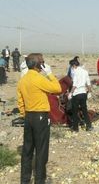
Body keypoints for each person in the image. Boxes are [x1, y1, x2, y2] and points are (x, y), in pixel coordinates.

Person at [17, 53, 61, 184]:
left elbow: (20, 101)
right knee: (41, 150)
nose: (43, 64)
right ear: (38, 65)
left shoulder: (23, 80)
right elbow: (57, 88)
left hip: (28, 116)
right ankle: (40, 180)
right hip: (40, 116)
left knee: (27, 150)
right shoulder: (39, 78)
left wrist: (24, 115)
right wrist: (49, 73)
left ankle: (24, 180)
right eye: (42, 62)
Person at [67, 59, 93, 132]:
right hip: (83, 93)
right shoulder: (85, 72)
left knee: (75, 111)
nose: (71, 67)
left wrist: (71, 93)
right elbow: (88, 83)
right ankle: (89, 126)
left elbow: (74, 85)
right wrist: (90, 92)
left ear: (74, 65)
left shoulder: (76, 72)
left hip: (76, 94)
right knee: (84, 110)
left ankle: (75, 128)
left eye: (71, 66)